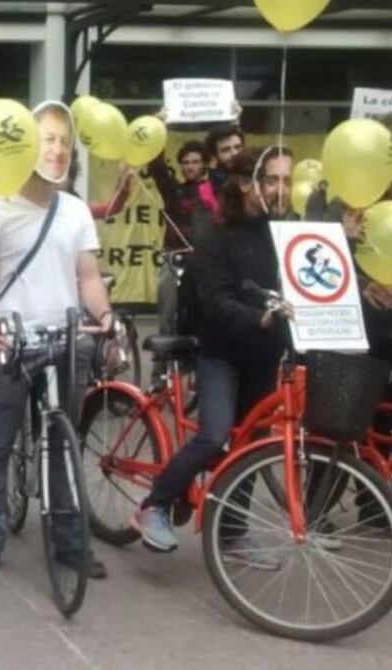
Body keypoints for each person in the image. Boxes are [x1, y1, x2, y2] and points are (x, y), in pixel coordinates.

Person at [0, 102, 113, 582]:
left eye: (64, 142)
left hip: (68, 340)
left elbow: (87, 275)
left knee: (62, 444)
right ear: (26, 144)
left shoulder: (74, 210)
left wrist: (105, 315)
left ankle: (70, 543)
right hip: (13, 341)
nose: (56, 150)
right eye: (47, 139)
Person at [131, 145, 296, 564]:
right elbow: (216, 301)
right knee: (215, 432)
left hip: (264, 356)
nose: (282, 189)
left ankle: (233, 533)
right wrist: (256, 318)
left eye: (288, 180)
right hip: (220, 351)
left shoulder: (288, 231)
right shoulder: (215, 236)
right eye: (272, 179)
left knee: (253, 445)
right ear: (245, 184)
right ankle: (153, 506)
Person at [148, 140, 222, 334]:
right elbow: (157, 169)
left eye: (195, 162)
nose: (190, 166)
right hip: (175, 259)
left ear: (205, 164)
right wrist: (158, 130)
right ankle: (164, 354)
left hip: (205, 262)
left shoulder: (216, 190)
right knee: (167, 307)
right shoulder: (173, 191)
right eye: (186, 162)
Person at [205, 124, 245, 196]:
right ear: (214, 156)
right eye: (226, 150)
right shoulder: (212, 187)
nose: (234, 153)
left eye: (237, 147)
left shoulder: (256, 175)